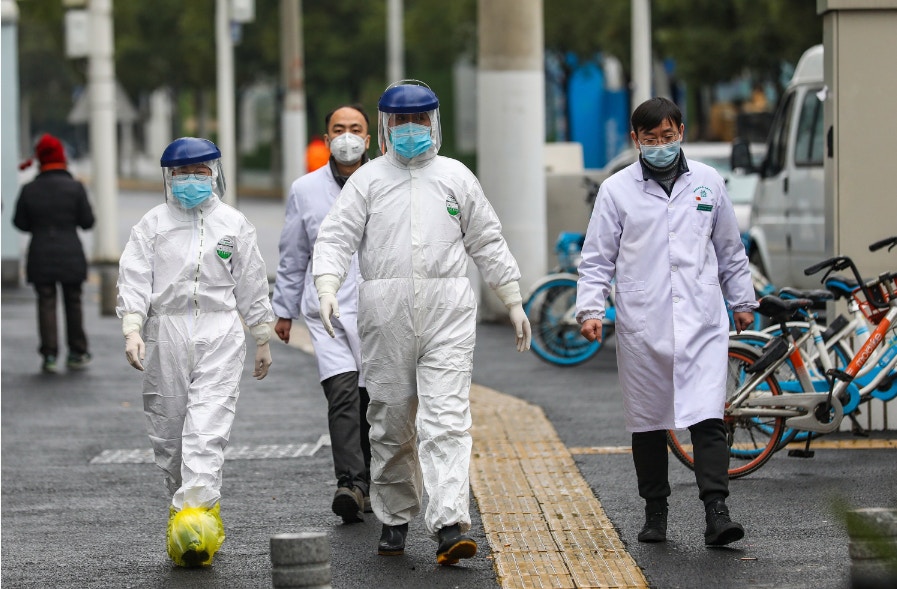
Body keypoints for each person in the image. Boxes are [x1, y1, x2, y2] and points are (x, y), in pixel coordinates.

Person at [312, 81, 532, 565]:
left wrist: (511, 297)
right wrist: (327, 286)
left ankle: (449, 522)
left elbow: (487, 240)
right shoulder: (368, 181)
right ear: (386, 127)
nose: (411, 131)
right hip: (384, 311)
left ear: (435, 123)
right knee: (390, 418)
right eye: (400, 122)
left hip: (448, 311)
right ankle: (394, 516)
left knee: (446, 419)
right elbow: (335, 238)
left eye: (419, 122)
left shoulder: (456, 177)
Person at [576, 97, 757, 547]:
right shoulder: (617, 190)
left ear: (681, 131)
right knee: (649, 421)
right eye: (651, 138)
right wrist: (591, 310)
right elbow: (597, 259)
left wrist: (743, 301)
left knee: (708, 415)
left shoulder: (708, 183)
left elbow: (730, 250)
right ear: (635, 140)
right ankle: (655, 511)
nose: (661, 145)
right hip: (644, 322)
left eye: (668, 136)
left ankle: (717, 512)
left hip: (701, 319)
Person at [116, 137, 275, 567]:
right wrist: (133, 328)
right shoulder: (152, 224)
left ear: (215, 173)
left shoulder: (233, 224)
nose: (190, 180)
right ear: (168, 178)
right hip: (165, 331)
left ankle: (198, 524)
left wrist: (261, 335)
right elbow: (133, 278)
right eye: (181, 174)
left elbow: (252, 281)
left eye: (200, 171)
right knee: (169, 437)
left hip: (220, 329)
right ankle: (185, 511)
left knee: (207, 427)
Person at [272, 104, 373, 524]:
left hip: (378, 311)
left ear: (369, 139)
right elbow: (294, 254)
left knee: (377, 401)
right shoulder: (305, 190)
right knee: (343, 395)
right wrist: (283, 309)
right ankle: (350, 482)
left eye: (355, 129)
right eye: (339, 129)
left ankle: (375, 480)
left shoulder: (386, 181)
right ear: (326, 138)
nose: (347, 135)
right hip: (326, 311)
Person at [14, 133, 95, 373]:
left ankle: (49, 355)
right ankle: (77, 351)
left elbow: (20, 222)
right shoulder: (76, 187)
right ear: (62, 157)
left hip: (40, 253)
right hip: (71, 251)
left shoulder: (29, 189)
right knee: (74, 301)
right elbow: (87, 221)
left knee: (46, 303)